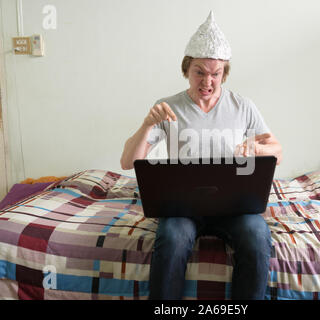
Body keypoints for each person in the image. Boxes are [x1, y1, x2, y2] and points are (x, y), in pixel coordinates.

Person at [120, 11, 282, 300]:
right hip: (183, 208)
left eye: (215, 73)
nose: (208, 81)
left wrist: (256, 149)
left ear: (224, 73)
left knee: (257, 237)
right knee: (171, 237)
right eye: (199, 72)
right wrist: (147, 124)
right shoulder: (167, 107)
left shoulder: (242, 106)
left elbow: (277, 151)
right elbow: (127, 162)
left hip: (235, 206)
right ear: (186, 70)